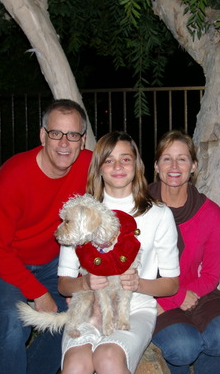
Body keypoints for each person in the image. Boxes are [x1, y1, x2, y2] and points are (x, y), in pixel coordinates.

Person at [0, 99, 92, 374]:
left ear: (83, 140)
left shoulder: (89, 164)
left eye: (72, 135)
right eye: (56, 133)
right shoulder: (14, 176)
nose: (64, 143)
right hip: (6, 255)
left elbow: (124, 181)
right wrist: (38, 294)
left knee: (75, 318)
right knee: (13, 321)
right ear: (43, 135)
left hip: (52, 257)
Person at [57, 131, 180, 374]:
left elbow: (171, 284)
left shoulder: (159, 214)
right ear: (99, 168)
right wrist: (85, 283)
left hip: (134, 308)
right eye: (109, 160)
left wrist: (138, 284)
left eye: (125, 159)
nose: (118, 166)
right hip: (89, 307)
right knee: (76, 365)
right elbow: (64, 284)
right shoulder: (81, 211)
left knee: (108, 358)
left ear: (137, 165)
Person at [149, 130, 220, 374]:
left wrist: (185, 295)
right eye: (167, 158)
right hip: (153, 297)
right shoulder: (140, 208)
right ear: (157, 166)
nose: (174, 166)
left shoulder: (209, 213)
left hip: (197, 292)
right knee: (184, 346)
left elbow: (211, 275)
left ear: (193, 166)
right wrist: (173, 297)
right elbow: (129, 269)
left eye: (182, 159)